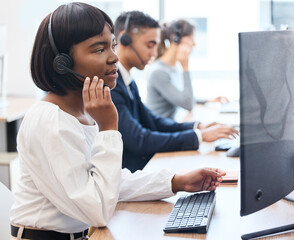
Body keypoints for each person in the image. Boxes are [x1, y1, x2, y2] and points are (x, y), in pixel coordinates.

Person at [9, 3, 226, 240]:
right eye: (99, 49)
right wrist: (109, 129)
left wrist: (175, 182)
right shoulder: (50, 121)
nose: (114, 57)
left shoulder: (83, 113)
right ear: (62, 63)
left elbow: (110, 182)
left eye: (112, 45)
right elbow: (97, 210)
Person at [112, 11, 238, 172]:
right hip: (131, 176)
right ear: (125, 39)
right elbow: (139, 139)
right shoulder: (112, 85)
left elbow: (153, 120)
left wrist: (197, 127)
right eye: (149, 45)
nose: (154, 53)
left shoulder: (127, 80)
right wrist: (200, 136)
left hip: (143, 168)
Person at [146, 19, 228, 119]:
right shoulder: (159, 72)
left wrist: (207, 100)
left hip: (171, 126)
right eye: (191, 39)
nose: (194, 44)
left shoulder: (173, 67)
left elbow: (181, 97)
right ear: (176, 39)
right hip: (161, 131)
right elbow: (187, 103)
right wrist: (185, 67)